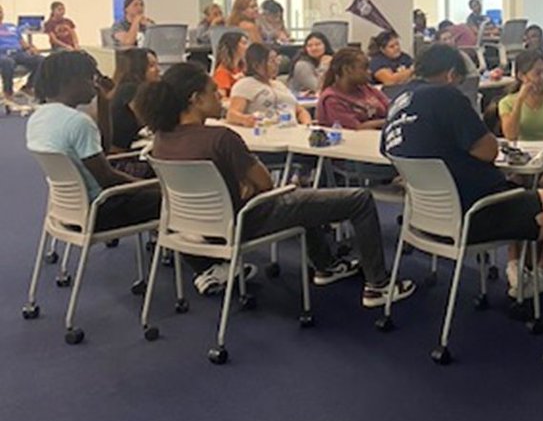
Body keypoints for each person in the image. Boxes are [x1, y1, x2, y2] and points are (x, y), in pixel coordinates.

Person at [137, 62, 413, 307]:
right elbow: (266, 183)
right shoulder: (221, 138)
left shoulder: (161, 141)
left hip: (198, 226)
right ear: (195, 99)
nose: (220, 95)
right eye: (213, 91)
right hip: (249, 219)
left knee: (305, 200)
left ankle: (326, 266)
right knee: (359, 199)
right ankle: (379, 285)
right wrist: (248, 183)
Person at [382, 44, 543, 300]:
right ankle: (540, 277)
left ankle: (525, 270)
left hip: (425, 219)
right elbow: (488, 151)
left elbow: (388, 151)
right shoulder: (446, 97)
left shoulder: (398, 102)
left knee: (524, 192)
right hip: (477, 212)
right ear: (450, 75)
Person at [25, 51, 160, 248]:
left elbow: (101, 154)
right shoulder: (78, 122)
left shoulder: (38, 118)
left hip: (69, 211)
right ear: (70, 81)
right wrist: (149, 185)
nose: (95, 84)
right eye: (90, 78)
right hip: (100, 211)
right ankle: (204, 264)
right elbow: (106, 178)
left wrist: (104, 104)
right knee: (176, 199)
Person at [226, 43, 312, 128]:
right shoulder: (245, 84)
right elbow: (232, 115)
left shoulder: (279, 85)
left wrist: (307, 125)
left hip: (293, 131)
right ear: (256, 65)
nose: (277, 64)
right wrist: (245, 119)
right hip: (267, 133)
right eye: (271, 61)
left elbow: (300, 111)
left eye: (277, 60)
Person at [498, 50, 543, 143]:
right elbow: (511, 136)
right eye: (537, 73)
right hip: (522, 153)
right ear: (521, 76)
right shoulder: (506, 102)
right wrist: (519, 100)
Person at [316, 48, 391, 130]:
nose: (369, 72)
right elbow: (356, 128)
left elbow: (391, 109)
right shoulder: (332, 99)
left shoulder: (368, 89)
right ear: (347, 69)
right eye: (364, 68)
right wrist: (388, 121)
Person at [108, 48, 160, 152]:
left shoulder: (122, 88)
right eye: (151, 66)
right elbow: (146, 120)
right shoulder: (131, 90)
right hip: (124, 154)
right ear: (138, 68)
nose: (158, 69)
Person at [0, 5, 44, 100]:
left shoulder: (11, 26)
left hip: (18, 53)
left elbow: (22, 42)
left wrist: (31, 47)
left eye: (0, 12)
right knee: (7, 62)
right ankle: (8, 92)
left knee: (42, 60)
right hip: (2, 54)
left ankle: (28, 87)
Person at [212, 30, 249, 97]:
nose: (247, 47)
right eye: (244, 43)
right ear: (233, 46)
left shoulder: (242, 68)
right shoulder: (222, 72)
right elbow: (222, 99)